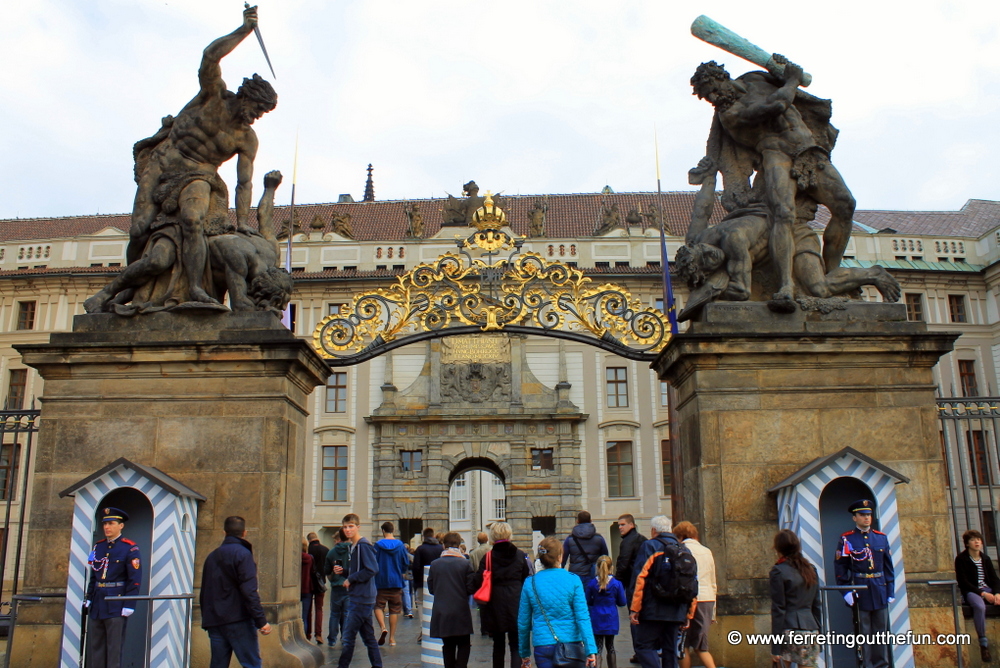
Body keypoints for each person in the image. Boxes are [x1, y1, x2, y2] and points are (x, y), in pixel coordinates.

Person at [84, 6, 278, 314]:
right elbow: (210, 57)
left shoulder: (246, 138)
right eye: (256, 108)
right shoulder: (212, 96)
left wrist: (243, 223)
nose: (256, 116)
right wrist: (243, 30)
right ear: (244, 95)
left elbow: (244, 183)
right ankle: (126, 292)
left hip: (200, 176)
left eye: (261, 113)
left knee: (191, 220)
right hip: (161, 164)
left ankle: (197, 289)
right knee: (138, 230)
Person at [690, 57, 855, 303]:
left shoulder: (754, 78)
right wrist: (792, 79)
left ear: (722, 78)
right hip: (777, 156)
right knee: (783, 214)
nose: (713, 98)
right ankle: (786, 285)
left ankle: (832, 271)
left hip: (809, 150)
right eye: (707, 96)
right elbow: (777, 104)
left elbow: (781, 78)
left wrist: (780, 66)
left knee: (846, 206)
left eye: (713, 90)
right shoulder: (730, 114)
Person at [200, 516, 271, 668]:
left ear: (224, 532)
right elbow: (249, 591)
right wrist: (261, 620)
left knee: (218, 664)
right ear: (244, 533)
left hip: (215, 619)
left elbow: (205, 590)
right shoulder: (243, 555)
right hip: (239, 619)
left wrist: (207, 617)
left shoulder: (212, 556)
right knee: (251, 663)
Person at [518, 536, 598, 668]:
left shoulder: (530, 583)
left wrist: (524, 653)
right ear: (560, 557)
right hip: (571, 644)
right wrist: (590, 650)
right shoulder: (573, 580)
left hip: (543, 644)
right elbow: (582, 617)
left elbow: (523, 623)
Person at [835, 499, 894, 668]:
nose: (866, 518)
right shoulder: (847, 539)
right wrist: (845, 591)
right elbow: (840, 566)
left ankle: (882, 665)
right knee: (863, 633)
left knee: (881, 633)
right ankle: (866, 666)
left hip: (880, 588)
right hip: (860, 589)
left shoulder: (881, 538)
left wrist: (890, 590)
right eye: (862, 515)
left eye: (868, 514)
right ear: (855, 518)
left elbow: (888, 567)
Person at [629, 515, 693, 668]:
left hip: (653, 609)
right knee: (670, 649)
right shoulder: (684, 549)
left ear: (653, 530)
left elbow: (640, 578)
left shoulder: (649, 546)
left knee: (644, 646)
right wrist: (688, 613)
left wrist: (635, 607)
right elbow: (692, 583)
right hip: (677, 609)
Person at [85, 507, 142, 668]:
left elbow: (134, 578)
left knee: (114, 648)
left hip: (116, 602)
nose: (107, 527)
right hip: (98, 602)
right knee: (96, 646)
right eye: (105, 524)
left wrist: (129, 603)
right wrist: (89, 597)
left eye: (111, 523)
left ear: (121, 525)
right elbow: (94, 575)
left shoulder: (129, 548)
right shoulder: (99, 547)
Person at [474, 521, 531, 668]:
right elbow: (525, 577)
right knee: (516, 644)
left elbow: (478, 580)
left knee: (498, 644)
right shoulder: (519, 555)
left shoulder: (488, 557)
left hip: (495, 601)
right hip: (516, 600)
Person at [335, 513, 382, 668]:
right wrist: (344, 572)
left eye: (351, 526)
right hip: (363, 596)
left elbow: (372, 569)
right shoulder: (354, 547)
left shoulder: (363, 546)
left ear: (358, 527)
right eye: (345, 527)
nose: (347, 530)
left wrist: (351, 578)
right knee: (369, 638)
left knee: (348, 638)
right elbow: (361, 570)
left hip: (361, 598)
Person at [769, 529, 821, 668]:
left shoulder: (778, 571)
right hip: (811, 629)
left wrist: (775, 647)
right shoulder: (811, 569)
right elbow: (817, 605)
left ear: (778, 548)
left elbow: (778, 610)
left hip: (789, 628)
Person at [429, 532, 477, 668]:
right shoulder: (465, 564)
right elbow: (470, 588)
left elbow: (432, 589)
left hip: (442, 611)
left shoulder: (435, 564)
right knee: (464, 643)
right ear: (459, 545)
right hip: (460, 609)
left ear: (443, 545)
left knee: (448, 645)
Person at [672, 522, 717, 668]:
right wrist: (713, 613)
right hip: (707, 599)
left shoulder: (681, 550)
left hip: (689, 599)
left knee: (683, 645)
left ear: (679, 536)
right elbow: (713, 581)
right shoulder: (707, 551)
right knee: (701, 646)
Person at [955, 529, 1000, 663]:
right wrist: (983, 594)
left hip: (988, 589)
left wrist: (997, 593)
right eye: (973, 540)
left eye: (979, 539)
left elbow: (995, 579)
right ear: (967, 543)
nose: (977, 542)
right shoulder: (961, 559)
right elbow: (963, 582)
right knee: (979, 607)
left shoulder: (985, 558)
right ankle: (983, 644)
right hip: (972, 591)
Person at [586, 555, 627, 668]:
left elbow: (588, 601)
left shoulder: (592, 583)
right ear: (611, 567)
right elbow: (622, 602)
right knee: (610, 647)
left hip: (597, 617)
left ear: (597, 567)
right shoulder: (616, 584)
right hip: (611, 618)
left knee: (598, 647)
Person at [614, 514, 645, 665]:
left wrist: (616, 583)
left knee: (634, 617)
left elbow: (623, 563)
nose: (620, 527)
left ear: (631, 525)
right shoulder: (643, 539)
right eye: (619, 525)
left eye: (623, 524)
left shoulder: (627, 542)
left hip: (632, 584)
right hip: (644, 583)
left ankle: (639, 652)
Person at [373, 521, 410, 647]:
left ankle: (383, 627)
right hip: (396, 581)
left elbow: (373, 562)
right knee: (394, 609)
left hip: (381, 581)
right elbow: (405, 562)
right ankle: (392, 638)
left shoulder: (378, 545)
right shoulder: (400, 545)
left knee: (378, 606)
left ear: (383, 531)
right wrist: (402, 571)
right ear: (393, 530)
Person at [563, 511, 610, 584]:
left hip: (575, 574)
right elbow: (605, 557)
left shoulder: (569, 539)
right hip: (593, 574)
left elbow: (563, 559)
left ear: (577, 521)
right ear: (591, 521)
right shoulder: (599, 538)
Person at [325, 529, 351, 647]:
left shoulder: (331, 552)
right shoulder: (353, 550)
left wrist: (333, 577)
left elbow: (326, 570)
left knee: (334, 614)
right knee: (346, 613)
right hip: (349, 585)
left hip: (336, 586)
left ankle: (332, 639)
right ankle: (345, 637)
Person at [306, 532, 329, 645]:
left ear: (309, 540)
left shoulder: (308, 550)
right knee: (319, 609)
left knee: (308, 610)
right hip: (321, 583)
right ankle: (318, 634)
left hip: (309, 583)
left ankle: (308, 633)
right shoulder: (326, 550)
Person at [413, 527, 444, 593]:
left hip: (422, 582)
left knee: (421, 602)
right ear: (433, 536)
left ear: (423, 537)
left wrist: (416, 582)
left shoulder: (420, 549)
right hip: (438, 582)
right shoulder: (441, 549)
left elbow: (416, 567)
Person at [300, 538, 315, 639]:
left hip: (296, 590)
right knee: (304, 616)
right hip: (307, 588)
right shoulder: (310, 558)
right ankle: (304, 637)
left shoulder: (294, 558)